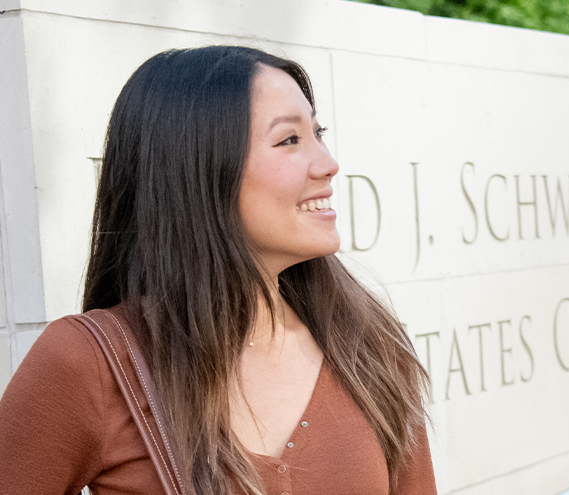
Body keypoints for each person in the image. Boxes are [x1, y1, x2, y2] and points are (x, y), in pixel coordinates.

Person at [0, 46, 436, 494]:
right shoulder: (90, 362)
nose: (327, 164)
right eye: (289, 139)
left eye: (318, 133)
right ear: (199, 168)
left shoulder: (369, 347)